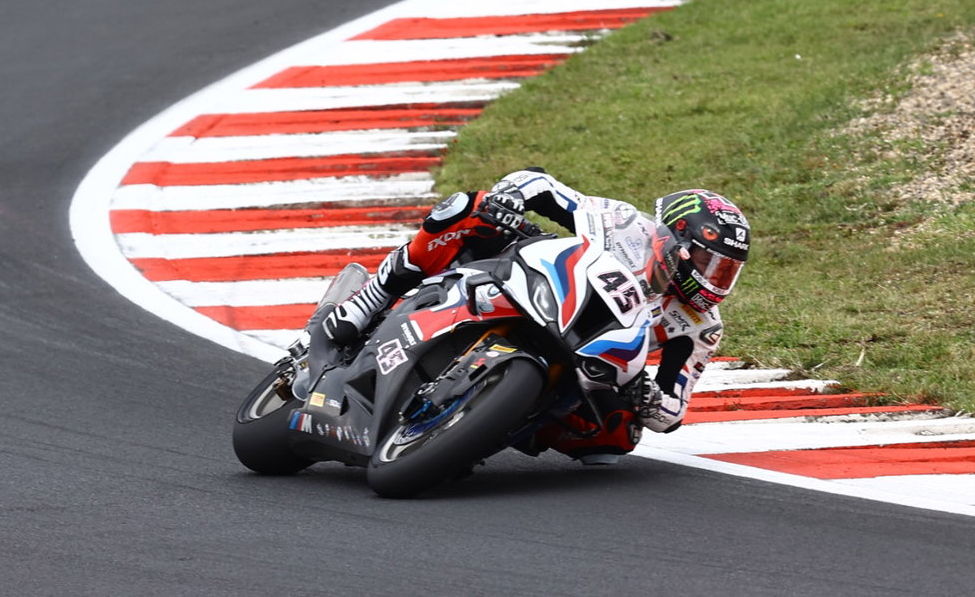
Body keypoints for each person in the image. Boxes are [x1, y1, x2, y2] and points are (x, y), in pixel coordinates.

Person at [320, 168, 751, 463]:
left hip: (591, 357)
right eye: (711, 263)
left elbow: (672, 411)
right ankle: (370, 299)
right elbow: (539, 183)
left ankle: (490, 427)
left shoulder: (701, 325)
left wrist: (647, 397)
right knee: (470, 211)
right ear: (677, 238)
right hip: (540, 284)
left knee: (619, 435)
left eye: (726, 271)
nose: (715, 280)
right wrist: (511, 199)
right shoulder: (624, 223)